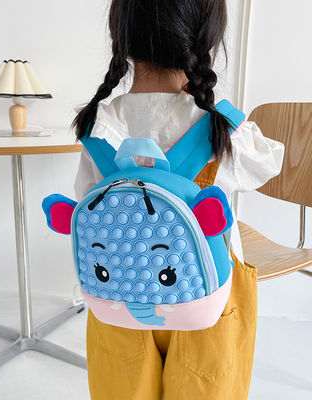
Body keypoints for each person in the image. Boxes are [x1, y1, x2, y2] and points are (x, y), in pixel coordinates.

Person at [73, 1, 284, 398]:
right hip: (209, 293)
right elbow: (269, 162)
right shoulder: (219, 125)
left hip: (117, 291)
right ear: (205, 38)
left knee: (121, 389)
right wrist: (221, 109)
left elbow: (84, 196)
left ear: (122, 36)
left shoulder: (96, 123)